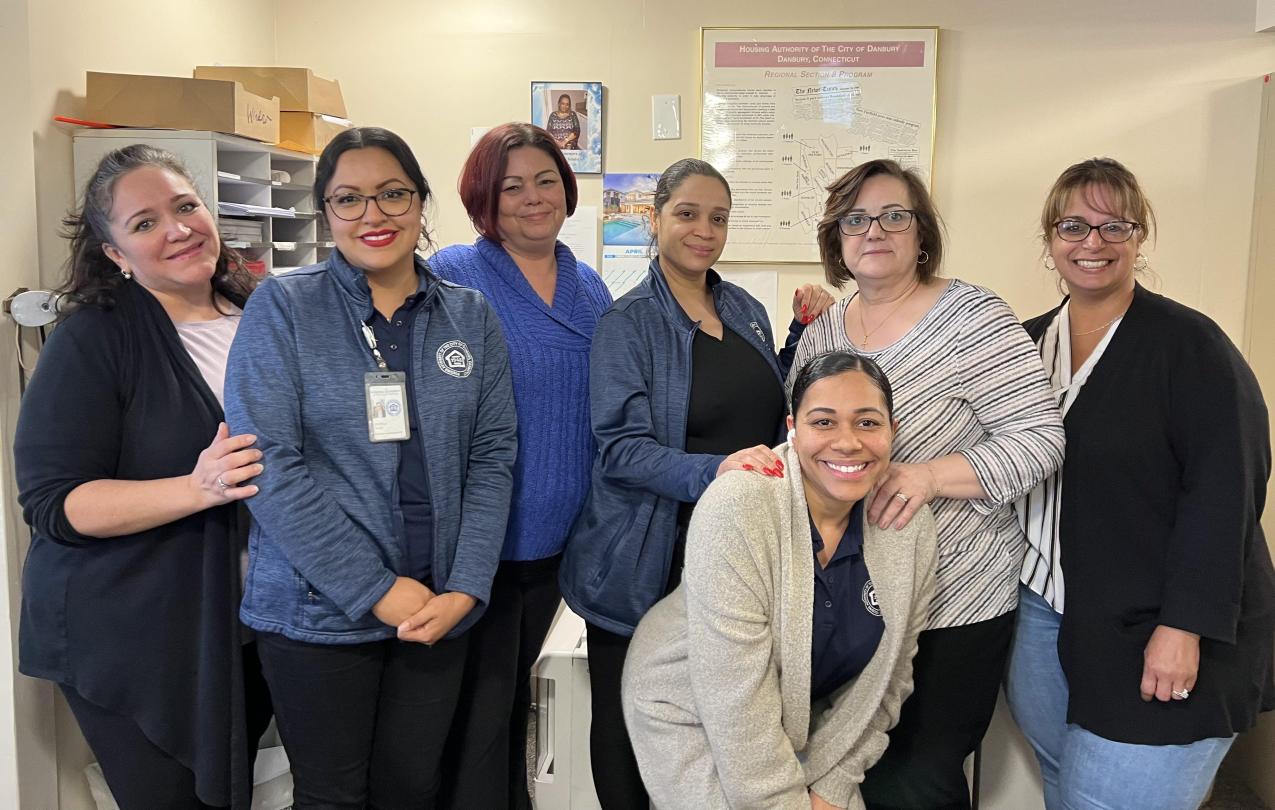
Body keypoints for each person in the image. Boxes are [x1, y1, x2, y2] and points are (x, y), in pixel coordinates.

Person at [223, 127, 517, 809]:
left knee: (412, 788)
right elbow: (268, 464)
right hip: (317, 612)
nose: (372, 216)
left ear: (419, 202)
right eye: (347, 200)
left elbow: (492, 454)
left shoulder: (467, 315)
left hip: (437, 607)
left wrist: (467, 587)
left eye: (392, 194)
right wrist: (376, 588)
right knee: (332, 796)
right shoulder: (284, 307)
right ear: (326, 214)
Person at [789, 158, 1065, 810]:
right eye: (854, 219)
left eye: (893, 215)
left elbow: (1040, 438)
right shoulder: (822, 334)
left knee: (913, 779)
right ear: (836, 239)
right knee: (843, 773)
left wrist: (929, 476)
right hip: (848, 602)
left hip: (953, 598)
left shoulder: (970, 316)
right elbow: (804, 443)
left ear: (920, 233)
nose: (873, 230)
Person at [560, 157, 835, 810]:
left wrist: (800, 333)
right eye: (686, 214)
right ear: (654, 220)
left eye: (718, 218)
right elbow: (621, 451)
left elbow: (764, 405)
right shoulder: (627, 324)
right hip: (645, 563)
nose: (703, 230)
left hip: (735, 560)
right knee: (632, 730)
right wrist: (715, 470)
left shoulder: (740, 308)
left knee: (720, 730)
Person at [1005, 157, 1275, 810]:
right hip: (1045, 616)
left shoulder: (1189, 347)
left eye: (1111, 227)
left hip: (1163, 627)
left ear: (1137, 236)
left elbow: (1225, 494)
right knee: (1067, 789)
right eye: (1072, 226)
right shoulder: (1023, 345)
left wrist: (1183, 627)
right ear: (1048, 239)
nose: (1090, 243)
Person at [14, 145, 271, 809]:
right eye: (145, 222)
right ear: (115, 255)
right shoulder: (93, 339)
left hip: (241, 619)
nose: (179, 228)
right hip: (133, 633)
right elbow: (53, 503)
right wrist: (198, 487)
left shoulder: (260, 316)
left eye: (185, 206)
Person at [623, 352, 938, 810]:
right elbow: (735, 704)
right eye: (824, 422)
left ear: (893, 430)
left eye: (868, 423)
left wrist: (834, 786)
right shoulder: (741, 505)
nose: (848, 442)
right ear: (793, 427)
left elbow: (890, 679)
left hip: (799, 723)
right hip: (694, 714)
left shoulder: (907, 524)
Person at [429, 122, 612, 809]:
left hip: (563, 549)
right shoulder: (452, 274)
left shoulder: (588, 285)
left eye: (545, 181)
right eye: (511, 186)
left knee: (528, 717)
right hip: (479, 550)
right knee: (477, 724)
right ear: (484, 198)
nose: (533, 198)